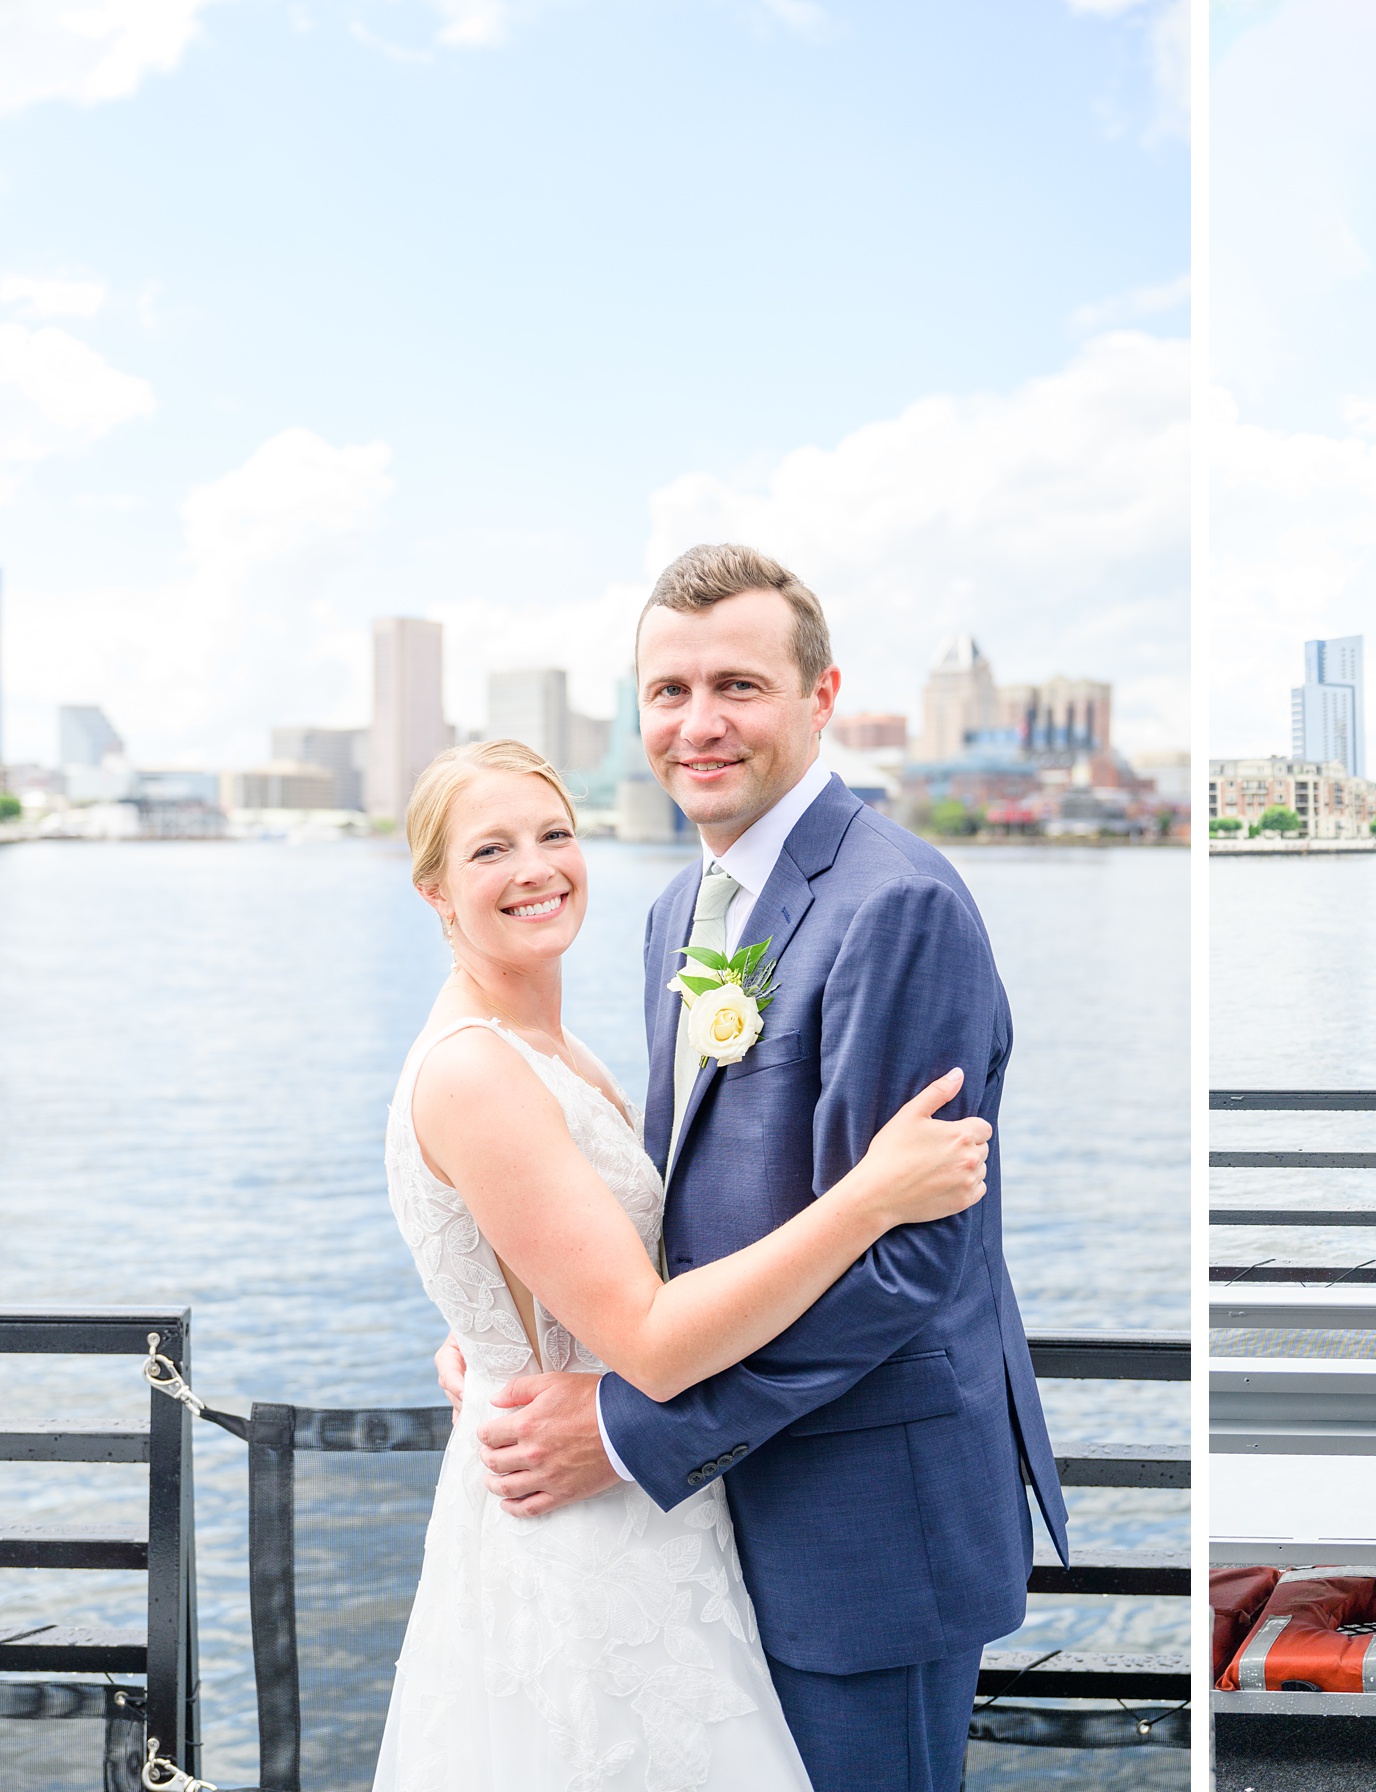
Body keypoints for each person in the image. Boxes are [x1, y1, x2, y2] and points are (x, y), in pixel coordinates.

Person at [435, 545, 1067, 1792]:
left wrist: (623, 1430)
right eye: (669, 692)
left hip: (863, 1523)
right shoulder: (684, 908)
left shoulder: (899, 907)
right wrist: (523, 1326)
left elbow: (903, 1273)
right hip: (716, 1520)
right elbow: (679, 1210)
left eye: (739, 685)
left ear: (821, 697)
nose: (700, 724)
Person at [379, 737, 991, 1791]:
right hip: (587, 1533)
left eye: (554, 834)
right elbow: (652, 1337)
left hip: (664, 1514)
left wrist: (497, 1326)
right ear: (435, 889)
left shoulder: (561, 1049)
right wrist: (871, 1195)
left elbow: (590, 1243)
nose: (534, 868)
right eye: (491, 850)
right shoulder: (478, 1068)